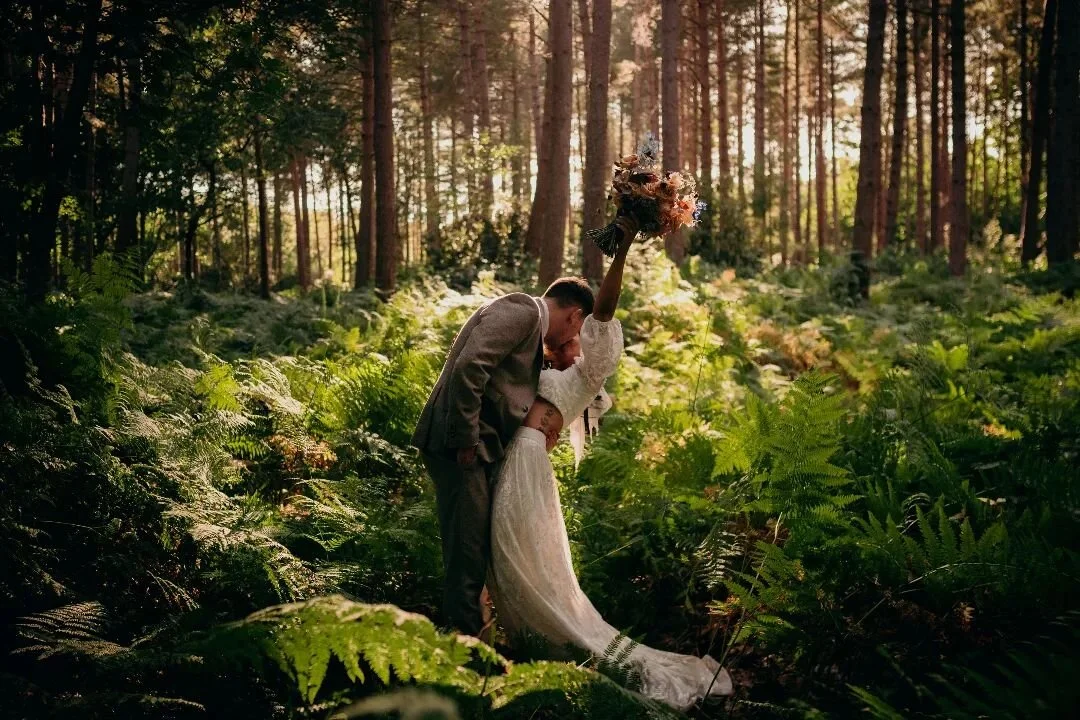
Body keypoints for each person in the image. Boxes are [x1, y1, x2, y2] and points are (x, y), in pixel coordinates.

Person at [488, 226, 734, 710]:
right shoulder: (534, 364)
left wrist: (620, 249)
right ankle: (526, 653)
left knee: (529, 565)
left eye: (571, 327)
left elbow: (604, 310)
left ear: (578, 322)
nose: (564, 336)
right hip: (507, 466)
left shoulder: (588, 374)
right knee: (510, 559)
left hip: (527, 466)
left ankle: (559, 654)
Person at [411, 273, 594, 637]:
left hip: (472, 448)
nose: (572, 338)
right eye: (578, 331)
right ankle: (466, 652)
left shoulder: (528, 327)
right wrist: (466, 439)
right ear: (574, 316)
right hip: (459, 447)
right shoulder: (522, 310)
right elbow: (470, 366)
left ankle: (470, 640)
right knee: (467, 554)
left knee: (472, 549)